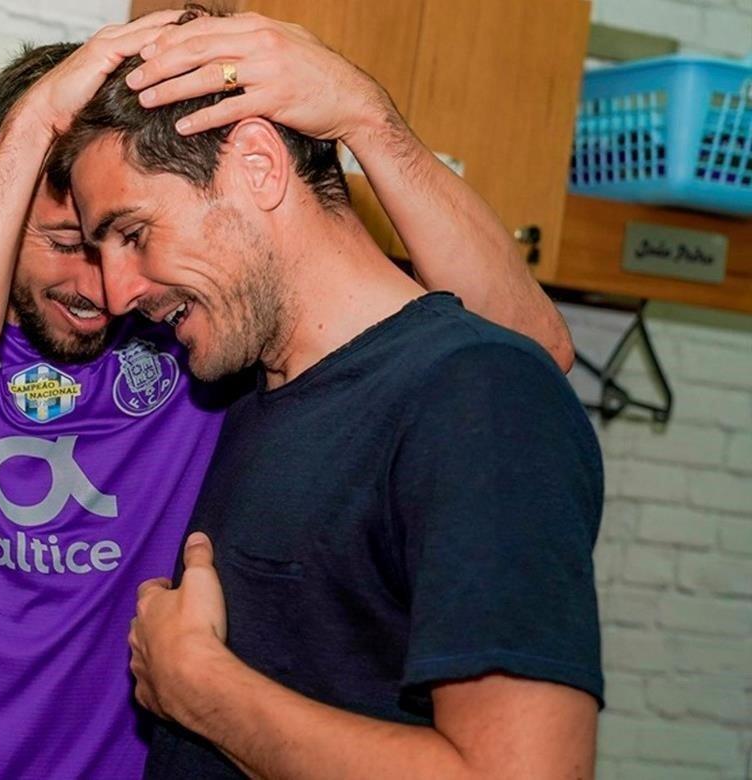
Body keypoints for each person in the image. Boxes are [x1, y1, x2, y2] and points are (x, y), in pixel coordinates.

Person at [0, 9, 574, 779]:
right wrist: (29, 130)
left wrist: (368, 117)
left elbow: (522, 353)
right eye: (68, 245)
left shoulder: (193, 330)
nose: (104, 287)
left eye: (125, 237)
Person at [48, 11, 604, 780]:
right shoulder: (240, 388)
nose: (115, 292)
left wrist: (202, 690)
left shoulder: (477, 395)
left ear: (257, 165)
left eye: (134, 232)